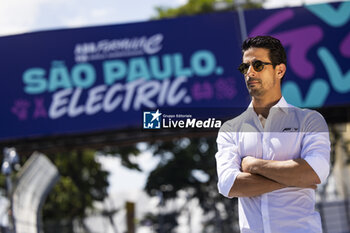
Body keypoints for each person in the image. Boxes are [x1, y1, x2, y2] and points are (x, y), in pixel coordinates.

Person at [215, 35, 330, 233]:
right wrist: (294, 179)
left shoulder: (309, 120)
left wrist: (253, 165)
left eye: (258, 65)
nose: (250, 72)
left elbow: (315, 172)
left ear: (280, 70)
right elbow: (229, 185)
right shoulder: (230, 130)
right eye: (245, 67)